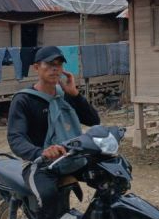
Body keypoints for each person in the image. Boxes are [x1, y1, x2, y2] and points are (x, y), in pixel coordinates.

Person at [7, 46, 100, 219]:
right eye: (49, 64)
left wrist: (75, 94)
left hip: (70, 156)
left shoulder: (63, 96)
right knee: (48, 198)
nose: (55, 69)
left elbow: (93, 120)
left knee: (107, 177)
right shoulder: (24, 100)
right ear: (36, 67)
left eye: (58, 64)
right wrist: (40, 152)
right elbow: (15, 137)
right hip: (40, 163)